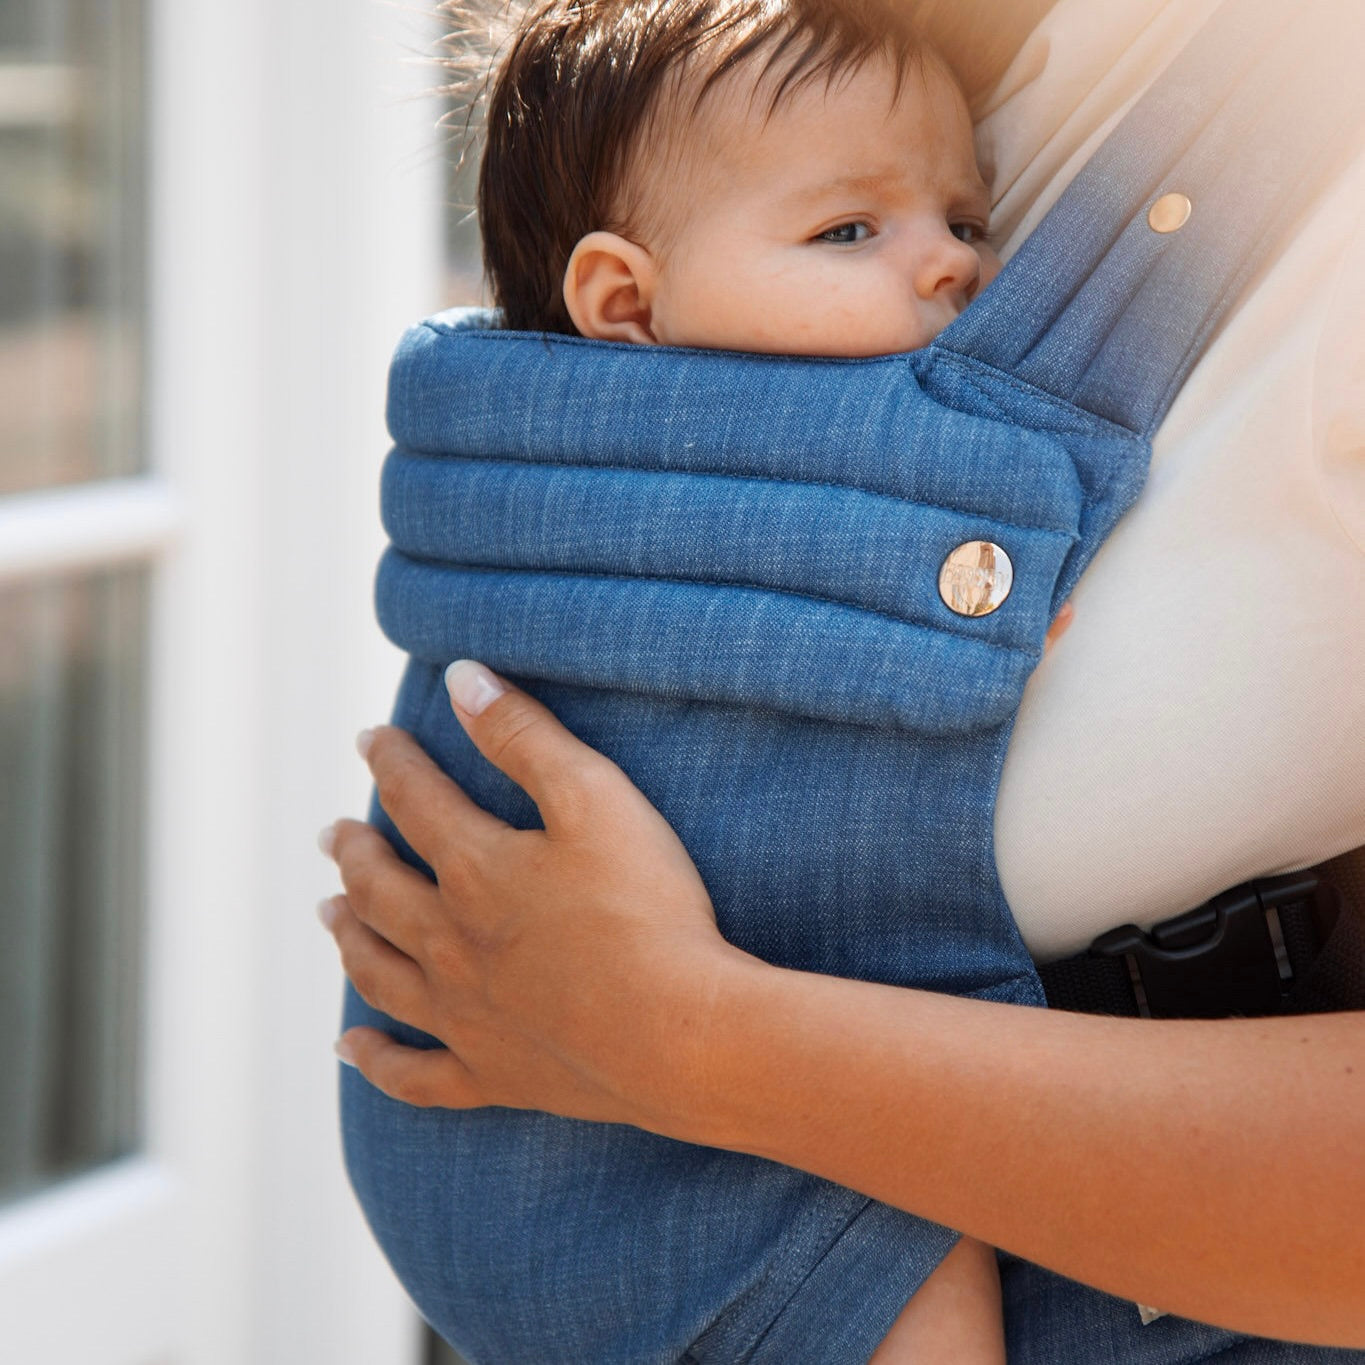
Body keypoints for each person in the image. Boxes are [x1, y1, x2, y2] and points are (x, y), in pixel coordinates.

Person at [322, 0, 1365, 1356]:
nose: (950, 267)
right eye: (852, 234)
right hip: (549, 1161)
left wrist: (689, 1034)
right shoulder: (839, 101)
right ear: (621, 307)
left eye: (964, 223)